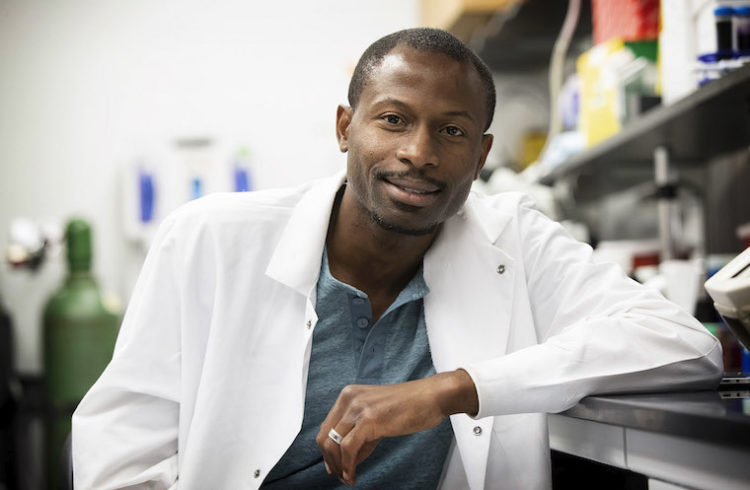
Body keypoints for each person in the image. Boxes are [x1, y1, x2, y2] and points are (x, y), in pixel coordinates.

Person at [72, 28, 722, 489]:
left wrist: (452, 390)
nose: (419, 151)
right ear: (343, 127)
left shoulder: (512, 239)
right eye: (392, 119)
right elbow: (120, 455)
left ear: (482, 152)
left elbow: (685, 344)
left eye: (452, 130)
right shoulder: (209, 240)